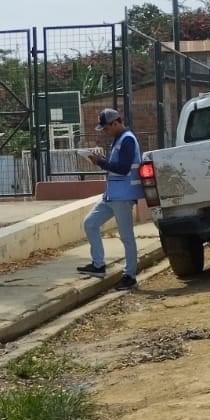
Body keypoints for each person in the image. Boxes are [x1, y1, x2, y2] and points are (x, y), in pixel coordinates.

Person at [76, 108, 141, 291]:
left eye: (106, 128)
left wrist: (100, 162)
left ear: (116, 123)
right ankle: (98, 265)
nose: (105, 131)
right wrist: (102, 161)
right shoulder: (118, 140)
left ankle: (129, 276)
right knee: (90, 223)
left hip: (123, 196)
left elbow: (123, 168)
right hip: (112, 195)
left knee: (126, 237)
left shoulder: (127, 139)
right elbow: (116, 166)